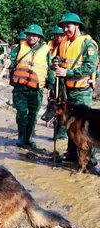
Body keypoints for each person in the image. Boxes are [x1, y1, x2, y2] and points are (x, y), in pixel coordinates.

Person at [54, 13, 98, 166]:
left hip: (82, 91)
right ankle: (72, 154)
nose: (66, 29)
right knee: (71, 126)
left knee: (85, 127)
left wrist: (68, 72)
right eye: (64, 27)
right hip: (68, 91)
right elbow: (60, 58)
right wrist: (56, 62)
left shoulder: (88, 45)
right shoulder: (65, 43)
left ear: (77, 26)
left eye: (68, 26)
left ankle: (90, 160)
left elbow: (89, 67)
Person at [9, 24, 55, 148]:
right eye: (29, 35)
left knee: (33, 115)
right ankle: (21, 137)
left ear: (39, 37)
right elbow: (12, 62)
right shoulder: (18, 48)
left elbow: (49, 68)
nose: (31, 37)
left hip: (36, 90)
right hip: (20, 88)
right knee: (21, 113)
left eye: (34, 35)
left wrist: (50, 84)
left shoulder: (46, 51)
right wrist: (8, 63)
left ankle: (29, 137)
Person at [48, 25, 67, 140]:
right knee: (52, 107)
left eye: (61, 35)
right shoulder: (50, 47)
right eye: (56, 35)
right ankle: (55, 134)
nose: (58, 37)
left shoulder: (67, 46)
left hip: (64, 83)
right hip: (53, 82)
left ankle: (61, 135)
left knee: (62, 108)